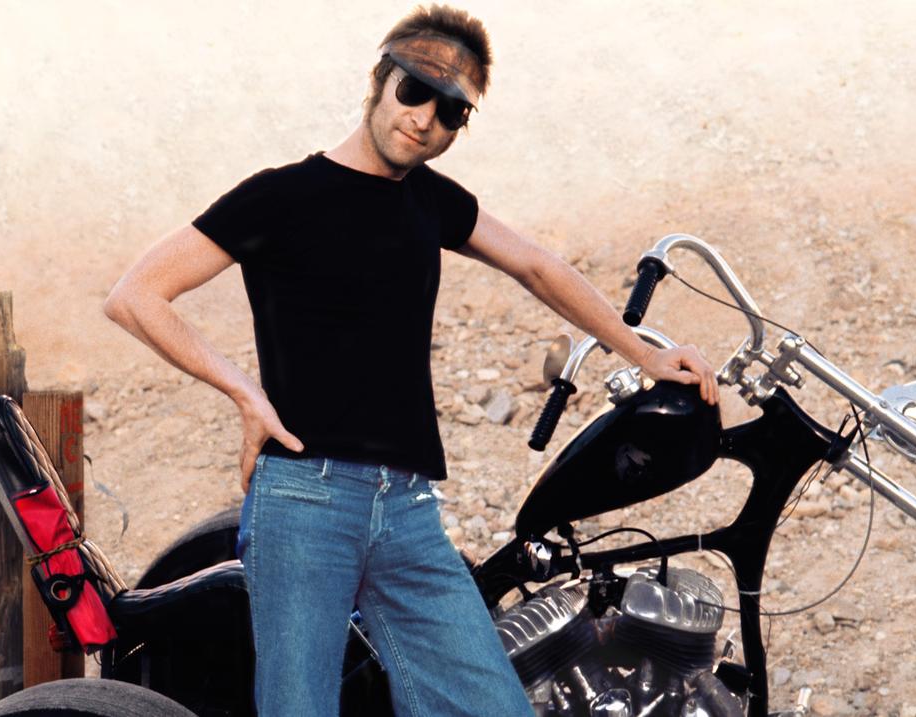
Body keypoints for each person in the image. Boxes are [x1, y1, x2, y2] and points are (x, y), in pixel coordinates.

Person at [104, 5, 718, 716]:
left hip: (408, 510)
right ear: (380, 80)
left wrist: (645, 352)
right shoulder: (283, 195)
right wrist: (242, 390)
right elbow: (137, 294)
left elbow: (538, 267)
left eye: (452, 113)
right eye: (414, 91)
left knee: (494, 706)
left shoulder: (431, 202)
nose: (426, 119)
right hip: (306, 499)